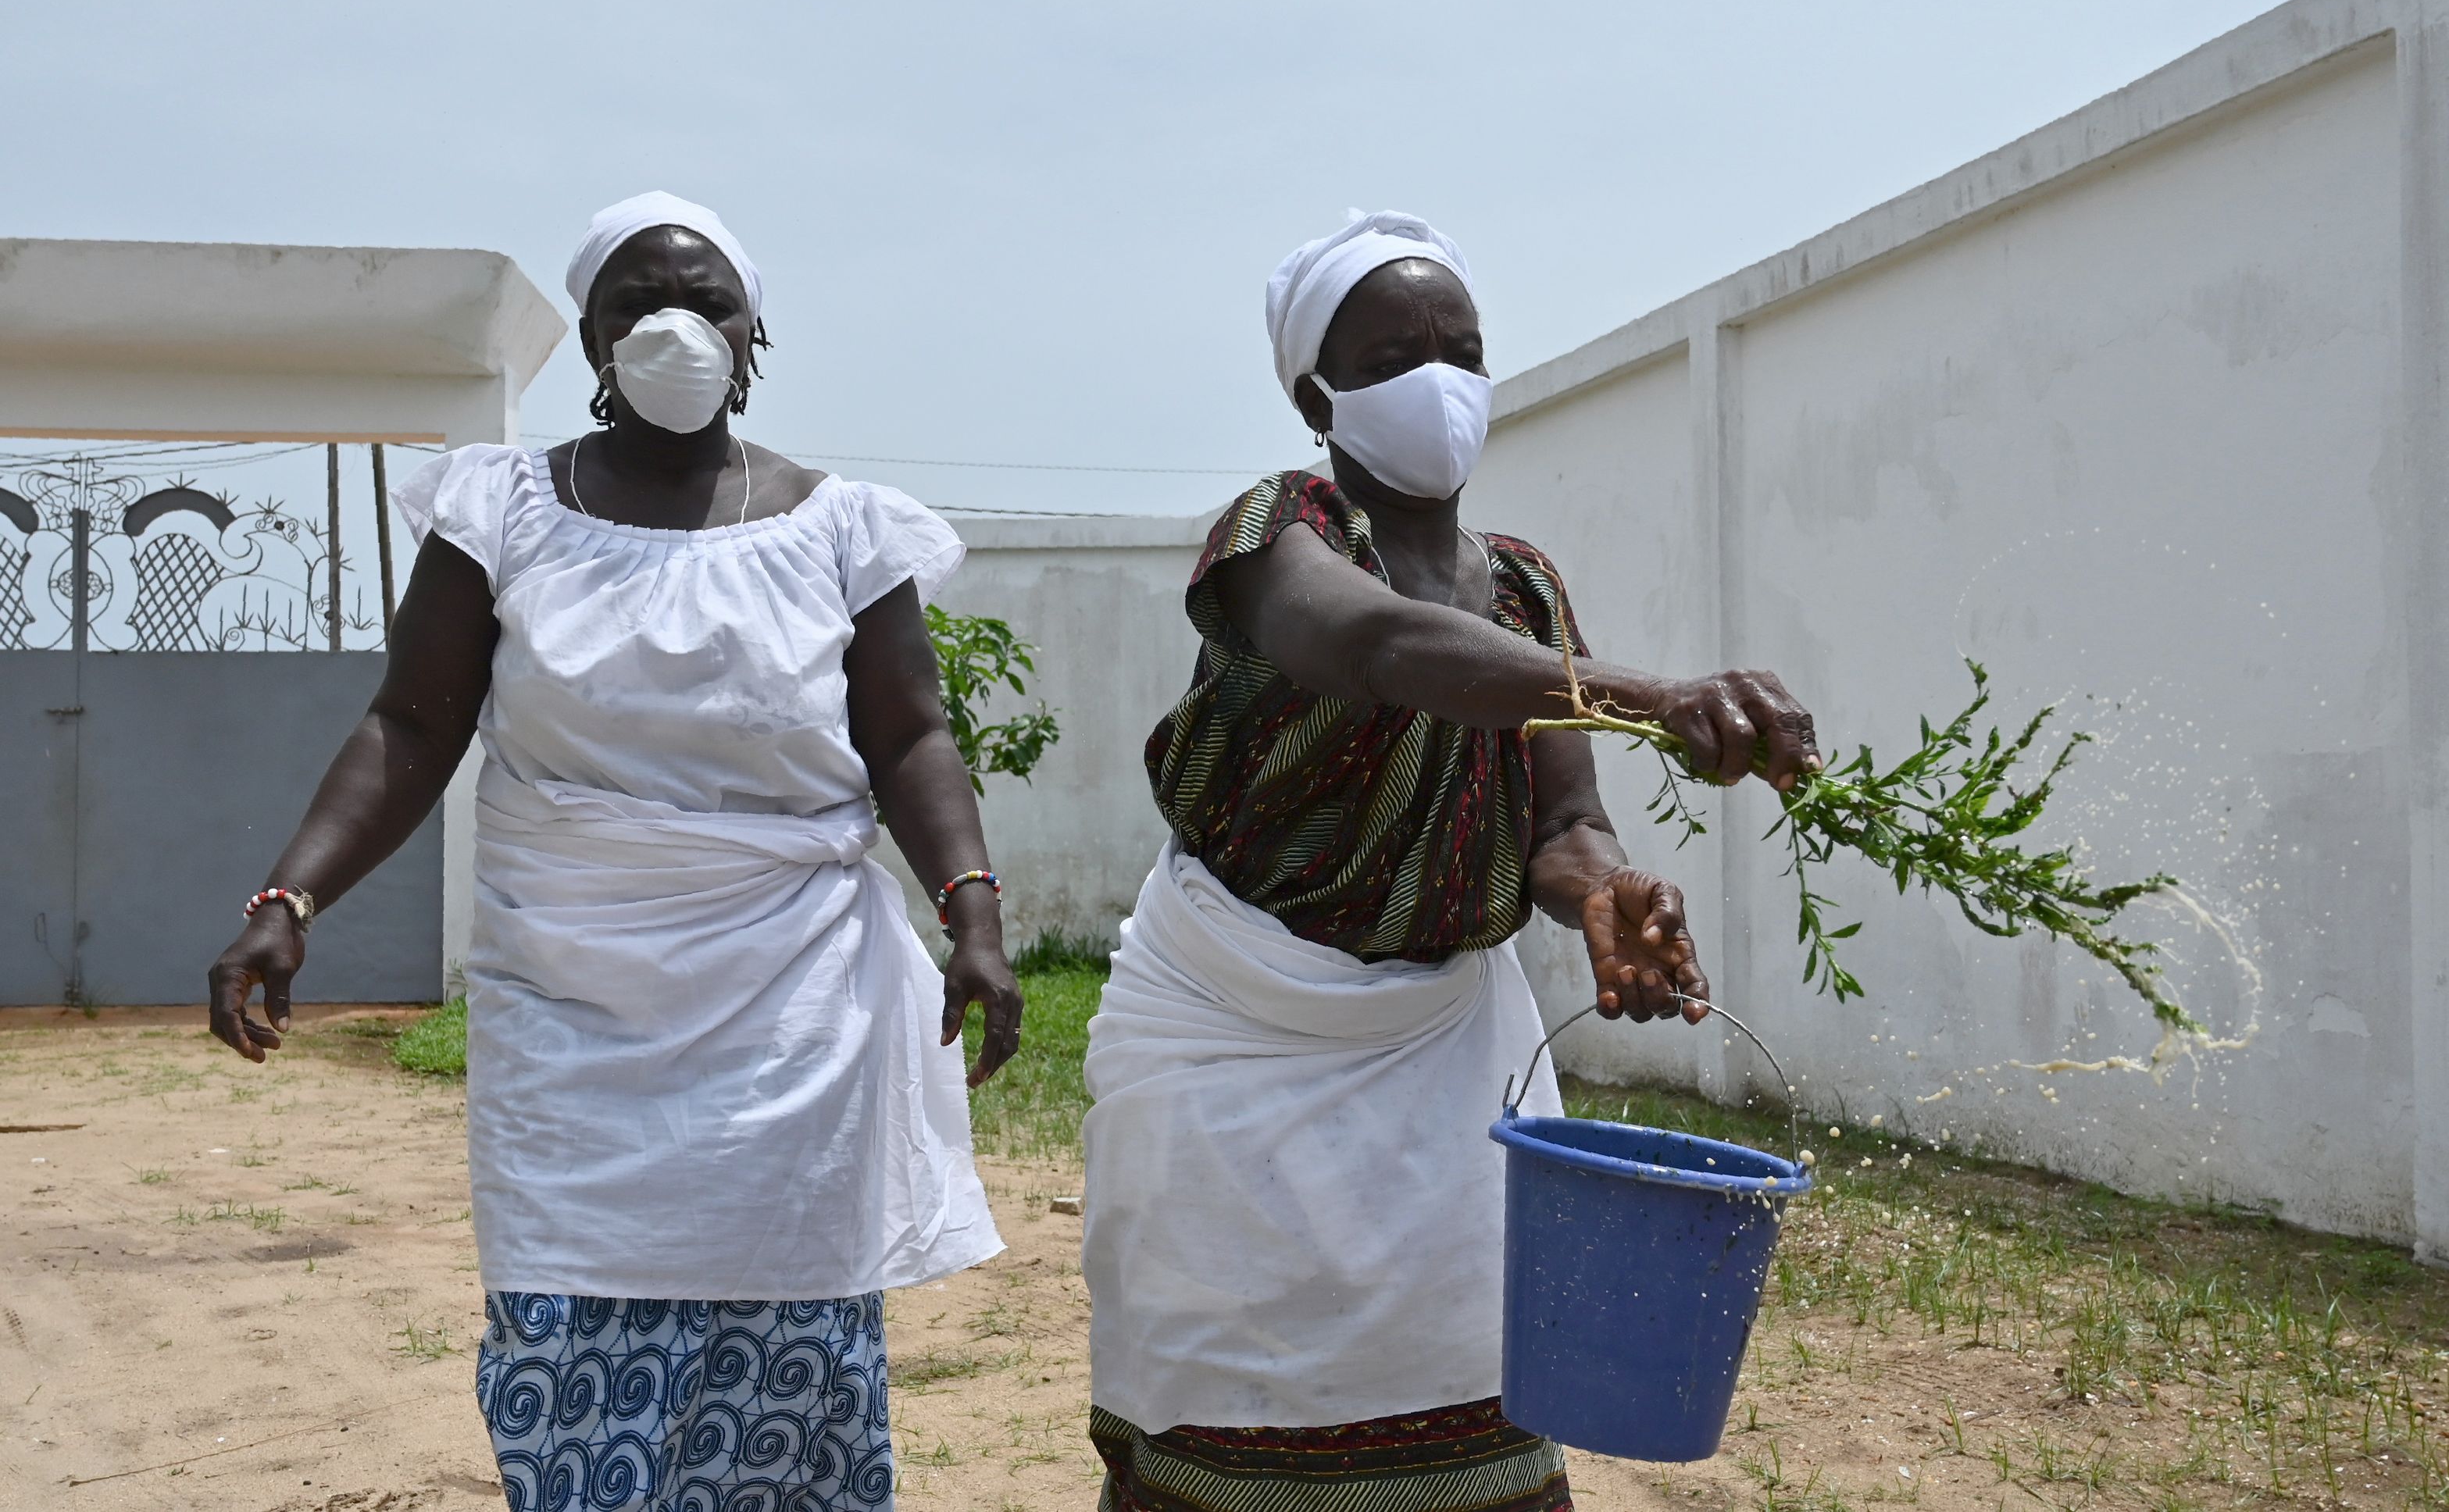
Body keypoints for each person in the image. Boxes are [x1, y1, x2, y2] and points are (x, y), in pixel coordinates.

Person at [204, 191, 1020, 1511]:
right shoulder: (505, 509)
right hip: (571, 1018)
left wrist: (971, 913)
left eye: (707, 300)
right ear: (590, 333)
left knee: (792, 1377)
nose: (676, 327)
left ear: (758, 329)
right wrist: (291, 894)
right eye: (639, 301)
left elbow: (912, 734)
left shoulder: (841, 527)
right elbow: (410, 724)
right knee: (570, 1350)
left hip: (791, 1023)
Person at [1080, 211, 1821, 1512]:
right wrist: (1657, 695)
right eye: (1391, 355)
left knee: (1487, 1409)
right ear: (1317, 393)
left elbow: (1561, 818)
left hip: (1443, 1054)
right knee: (1216, 1430)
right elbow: (1377, 647)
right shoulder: (1276, 530)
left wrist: (1605, 892)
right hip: (1233, 1044)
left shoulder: (1525, 589)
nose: (1439, 377)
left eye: (1461, 347)